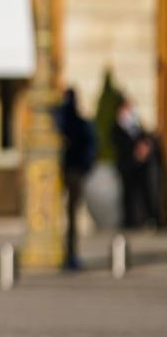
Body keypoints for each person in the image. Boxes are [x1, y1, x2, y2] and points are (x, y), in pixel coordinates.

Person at [53, 88, 96, 270]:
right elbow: (91, 145)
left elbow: (90, 145)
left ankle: (67, 252)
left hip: (68, 171)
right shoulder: (76, 122)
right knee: (69, 216)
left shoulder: (64, 121)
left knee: (66, 215)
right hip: (71, 171)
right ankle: (68, 252)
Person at [111, 96, 163, 229]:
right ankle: (130, 221)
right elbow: (119, 145)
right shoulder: (117, 127)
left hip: (141, 166)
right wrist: (135, 153)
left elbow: (146, 138)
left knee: (144, 193)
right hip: (127, 165)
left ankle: (146, 218)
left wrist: (145, 148)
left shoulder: (136, 126)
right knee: (128, 194)